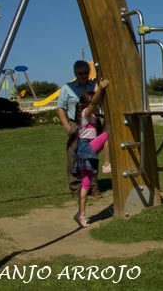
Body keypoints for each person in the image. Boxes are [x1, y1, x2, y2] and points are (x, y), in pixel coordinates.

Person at [56, 61, 108, 198]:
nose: (83, 75)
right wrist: (67, 126)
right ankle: (76, 188)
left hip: (94, 123)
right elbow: (60, 108)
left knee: (92, 155)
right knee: (74, 156)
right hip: (77, 124)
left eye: (86, 72)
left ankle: (93, 187)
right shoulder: (67, 88)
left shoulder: (94, 85)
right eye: (80, 73)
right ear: (75, 73)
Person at [73, 78, 110, 228]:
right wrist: (100, 89)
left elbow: (96, 103)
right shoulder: (85, 113)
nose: (95, 106)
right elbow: (93, 103)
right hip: (86, 147)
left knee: (86, 183)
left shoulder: (93, 117)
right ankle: (107, 164)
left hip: (84, 150)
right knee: (109, 134)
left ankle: (80, 214)